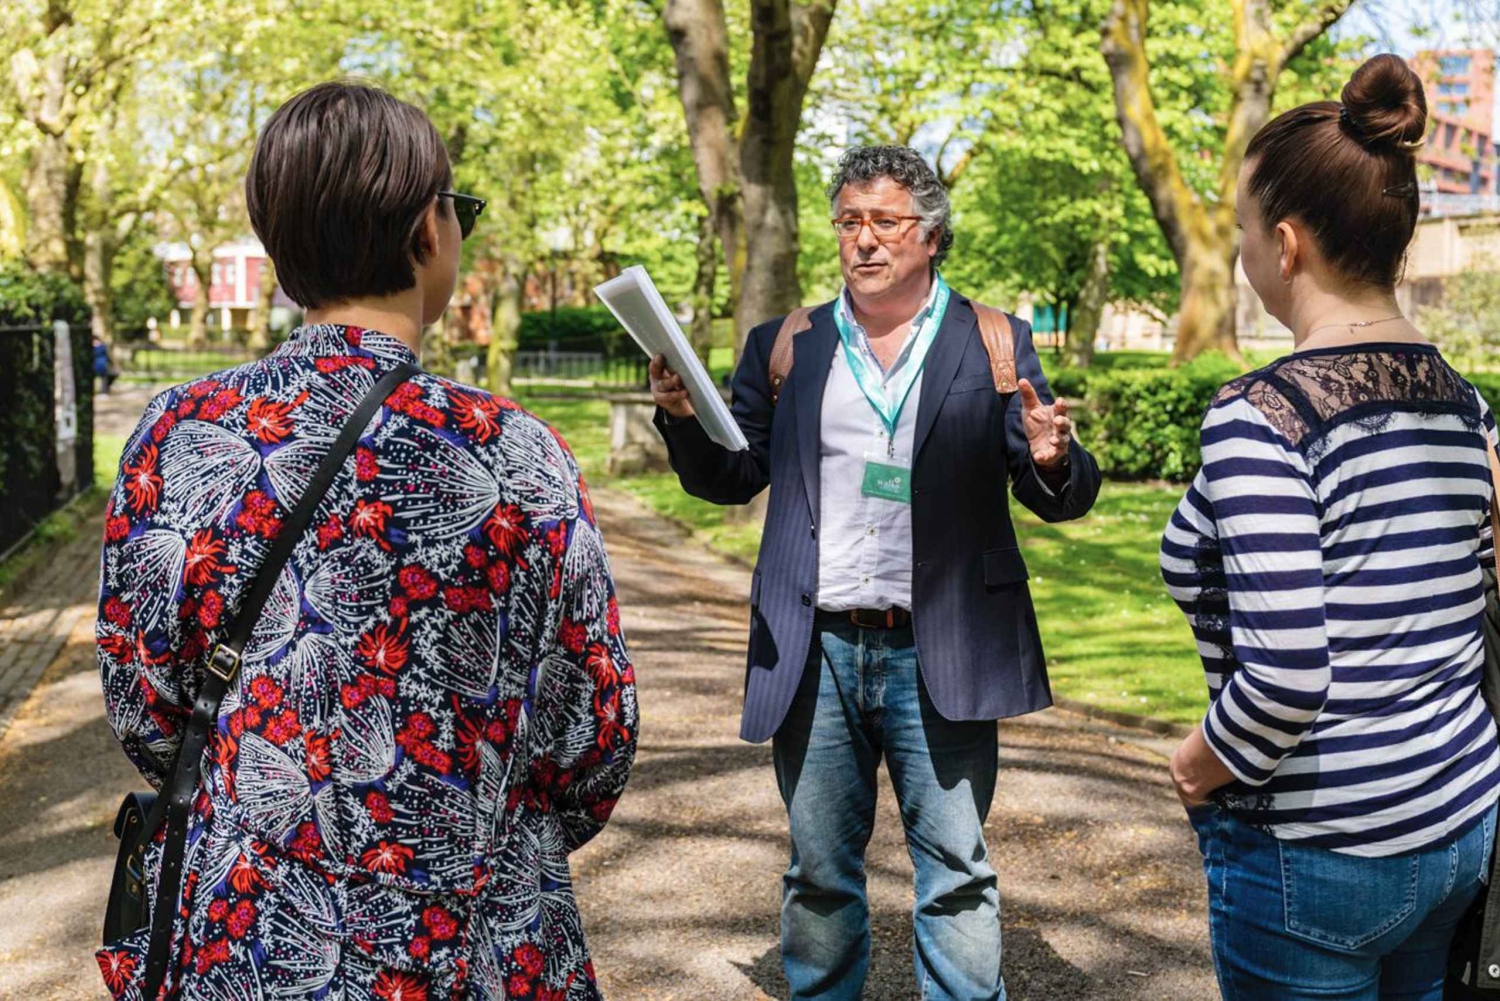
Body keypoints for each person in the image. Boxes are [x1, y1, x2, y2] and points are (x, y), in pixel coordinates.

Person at [94, 81, 637, 1000]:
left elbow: (146, 699)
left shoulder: (181, 434)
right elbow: (591, 731)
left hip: (250, 935)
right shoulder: (513, 454)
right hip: (474, 929)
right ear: (429, 231)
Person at [650, 145, 1101, 1000]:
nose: (863, 241)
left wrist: (1051, 455)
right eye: (849, 222)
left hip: (944, 646)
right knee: (819, 870)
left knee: (957, 869)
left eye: (884, 222)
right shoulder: (788, 344)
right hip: (816, 648)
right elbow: (732, 475)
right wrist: (682, 419)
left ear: (931, 234)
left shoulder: (995, 340)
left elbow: (1059, 496)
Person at [1159, 54, 1500, 999]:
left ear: (1286, 243)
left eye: (1238, 234)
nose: (1240, 256)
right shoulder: (1463, 403)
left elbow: (1288, 673)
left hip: (1321, 851)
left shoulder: (1260, 415)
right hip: (1459, 821)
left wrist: (1198, 763)